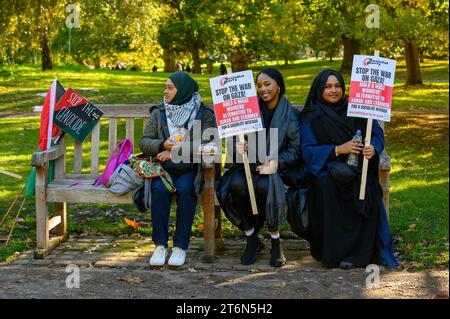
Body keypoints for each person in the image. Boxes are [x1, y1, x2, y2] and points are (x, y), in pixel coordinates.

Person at [300, 69, 398, 269]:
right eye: (327, 87)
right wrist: (337, 149)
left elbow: (377, 135)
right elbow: (308, 151)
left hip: (359, 167)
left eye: (337, 86)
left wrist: (373, 148)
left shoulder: (359, 109)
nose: (333, 90)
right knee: (326, 185)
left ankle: (358, 255)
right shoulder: (311, 116)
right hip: (327, 167)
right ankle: (334, 252)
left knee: (364, 188)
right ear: (319, 89)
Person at [216, 68, 301, 267]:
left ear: (279, 86)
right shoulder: (248, 110)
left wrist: (274, 162)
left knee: (265, 185)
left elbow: (295, 149)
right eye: (259, 85)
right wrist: (241, 147)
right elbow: (235, 146)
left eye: (267, 84)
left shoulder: (290, 115)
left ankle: (275, 240)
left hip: (279, 168)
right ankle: (252, 239)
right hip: (249, 166)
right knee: (237, 184)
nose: (263, 89)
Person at [139, 71, 217, 268]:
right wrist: (162, 145)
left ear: (182, 90)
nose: (165, 91)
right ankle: (160, 245)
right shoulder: (159, 112)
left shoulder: (204, 114)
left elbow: (210, 143)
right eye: (165, 87)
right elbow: (144, 142)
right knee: (159, 189)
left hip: (190, 168)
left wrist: (174, 151)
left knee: (185, 189)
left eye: (170, 87)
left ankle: (180, 247)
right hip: (165, 169)